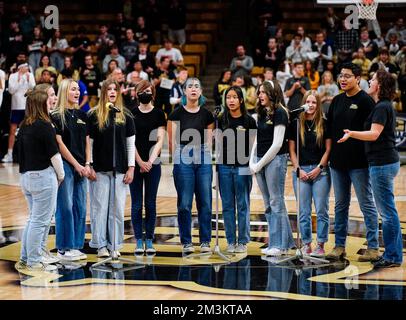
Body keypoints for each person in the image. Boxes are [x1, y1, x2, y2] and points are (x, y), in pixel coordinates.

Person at [337, 70, 402, 268]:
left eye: (373, 79)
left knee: (388, 212)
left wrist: (351, 133)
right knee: (389, 211)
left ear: (380, 85)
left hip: (382, 164)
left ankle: (392, 256)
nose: (370, 81)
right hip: (383, 162)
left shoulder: (382, 107)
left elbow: (374, 134)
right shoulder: (381, 106)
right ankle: (393, 254)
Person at [325, 62, 379, 262]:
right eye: (341, 76)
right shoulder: (337, 100)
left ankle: (373, 247)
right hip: (337, 163)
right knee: (340, 206)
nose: (342, 79)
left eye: (347, 76)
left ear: (358, 78)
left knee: (366, 204)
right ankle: (339, 246)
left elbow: (372, 132)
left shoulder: (366, 101)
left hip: (359, 164)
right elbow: (329, 130)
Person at [16, 87, 64, 272]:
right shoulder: (44, 125)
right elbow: (55, 155)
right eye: (47, 99)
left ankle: (25, 257)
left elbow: (18, 155)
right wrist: (61, 175)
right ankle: (34, 260)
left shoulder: (23, 125)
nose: (50, 102)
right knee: (40, 221)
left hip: (25, 177)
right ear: (40, 104)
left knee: (33, 220)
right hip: (43, 177)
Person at [88, 79, 135, 258]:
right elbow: (90, 143)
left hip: (120, 169)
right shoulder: (93, 115)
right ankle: (100, 244)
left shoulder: (126, 116)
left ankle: (114, 244)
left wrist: (131, 167)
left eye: (115, 89)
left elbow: (131, 144)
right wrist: (89, 164)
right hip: (99, 168)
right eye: (109, 89)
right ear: (103, 93)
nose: (113, 92)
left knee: (117, 209)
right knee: (99, 208)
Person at [167, 78, 214, 253]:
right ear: (184, 92)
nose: (193, 89)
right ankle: (186, 241)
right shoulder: (175, 114)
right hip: (183, 156)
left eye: (196, 86)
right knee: (185, 203)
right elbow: (171, 143)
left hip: (203, 157)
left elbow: (209, 143)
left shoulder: (207, 115)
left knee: (205, 203)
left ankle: (205, 242)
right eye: (190, 87)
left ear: (201, 92)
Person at [249, 80, 296, 256]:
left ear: (272, 93)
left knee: (276, 201)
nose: (260, 95)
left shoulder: (281, 113)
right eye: (259, 92)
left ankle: (279, 245)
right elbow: (257, 139)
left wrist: (258, 165)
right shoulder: (261, 112)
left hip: (275, 160)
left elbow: (277, 144)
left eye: (263, 92)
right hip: (260, 159)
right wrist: (252, 160)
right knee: (268, 204)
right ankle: (282, 242)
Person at [288, 90, 332, 257]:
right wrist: (298, 168)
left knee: (321, 209)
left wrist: (319, 168)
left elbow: (328, 149)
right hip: (301, 171)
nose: (311, 105)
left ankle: (320, 244)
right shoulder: (296, 123)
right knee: (303, 211)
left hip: (320, 172)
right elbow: (292, 149)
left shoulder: (325, 123)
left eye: (314, 102)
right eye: (308, 102)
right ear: (303, 103)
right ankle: (306, 243)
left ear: (318, 104)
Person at [51, 79, 90, 262]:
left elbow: (87, 141)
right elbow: (59, 143)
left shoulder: (83, 114)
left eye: (78, 90)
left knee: (80, 206)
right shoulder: (56, 116)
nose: (77, 93)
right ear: (65, 91)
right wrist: (76, 164)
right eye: (73, 89)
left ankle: (76, 245)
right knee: (65, 207)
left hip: (83, 165)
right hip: (67, 164)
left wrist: (88, 163)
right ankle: (64, 247)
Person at [218, 86, 257, 253]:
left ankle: (242, 241)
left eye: (234, 97)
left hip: (243, 167)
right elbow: (218, 145)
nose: (231, 100)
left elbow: (254, 146)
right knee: (227, 205)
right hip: (224, 167)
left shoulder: (249, 121)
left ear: (241, 100)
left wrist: (252, 166)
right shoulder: (221, 119)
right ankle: (230, 240)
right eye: (228, 97)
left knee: (242, 205)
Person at [130, 80, 166, 254]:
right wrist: (140, 162)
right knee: (136, 204)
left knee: (150, 203)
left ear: (153, 93)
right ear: (136, 93)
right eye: (142, 90)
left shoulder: (159, 113)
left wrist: (150, 161)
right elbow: (130, 141)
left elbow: (160, 140)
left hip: (154, 163)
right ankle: (138, 240)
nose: (145, 92)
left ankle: (150, 239)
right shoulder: (131, 114)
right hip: (135, 163)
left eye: (148, 90)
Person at [2, 63, 36, 163]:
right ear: (19, 68)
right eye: (24, 67)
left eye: (26, 67)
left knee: (29, 130)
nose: (26, 68)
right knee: (12, 130)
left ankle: (30, 154)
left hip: (27, 107)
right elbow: (11, 90)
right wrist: (19, 79)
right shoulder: (13, 76)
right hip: (16, 106)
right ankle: (9, 155)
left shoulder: (30, 75)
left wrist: (29, 79)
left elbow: (33, 89)